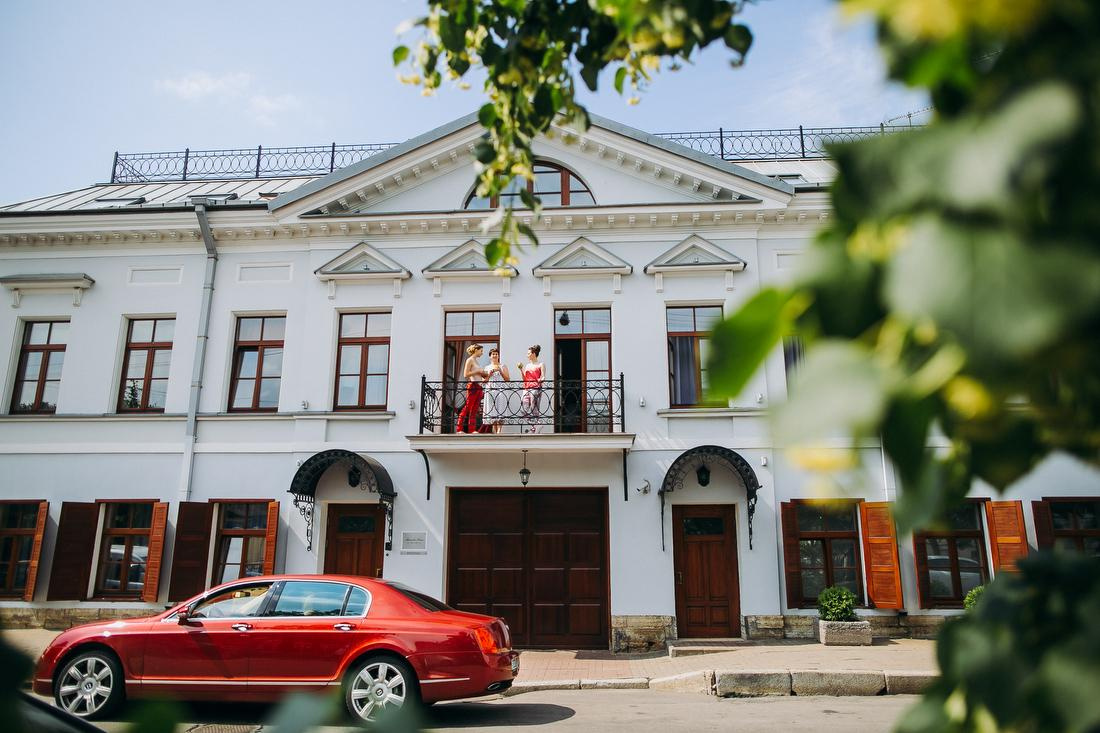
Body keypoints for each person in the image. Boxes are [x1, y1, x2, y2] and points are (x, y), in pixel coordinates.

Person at [455, 344, 489, 434]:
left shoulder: (476, 362)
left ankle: (472, 430)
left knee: (474, 409)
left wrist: (485, 375)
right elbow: (465, 374)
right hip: (473, 385)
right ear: (476, 350)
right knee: (467, 407)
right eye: (481, 351)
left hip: (479, 386)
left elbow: (478, 375)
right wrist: (478, 371)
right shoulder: (469, 360)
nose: (482, 353)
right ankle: (459, 429)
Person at [482, 347, 510, 434]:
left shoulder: (503, 366)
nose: (495, 355)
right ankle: (494, 429)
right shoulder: (486, 367)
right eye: (493, 354)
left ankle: (499, 430)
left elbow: (507, 379)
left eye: (496, 354)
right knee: (492, 409)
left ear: (498, 356)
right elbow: (483, 381)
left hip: (501, 389)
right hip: (490, 389)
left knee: (500, 408)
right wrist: (489, 374)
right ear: (490, 356)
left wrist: (500, 371)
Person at [520, 344, 544, 434]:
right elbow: (525, 379)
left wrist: (541, 379)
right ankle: (536, 425)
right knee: (523, 409)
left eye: (528, 353)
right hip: (526, 388)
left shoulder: (541, 364)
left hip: (536, 388)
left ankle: (535, 428)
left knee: (534, 408)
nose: (527, 355)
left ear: (533, 354)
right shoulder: (527, 366)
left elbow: (543, 376)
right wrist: (521, 370)